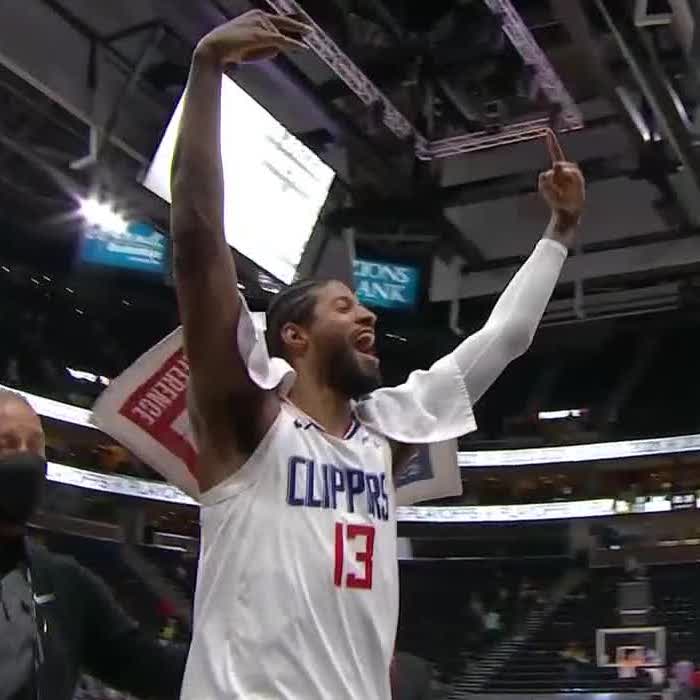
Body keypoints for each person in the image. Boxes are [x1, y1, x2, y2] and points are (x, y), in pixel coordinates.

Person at [171, 10, 585, 699]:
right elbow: (195, 239)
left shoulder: (385, 433)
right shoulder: (249, 418)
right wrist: (207, 70)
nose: (366, 314)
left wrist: (560, 232)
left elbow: (505, 338)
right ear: (294, 336)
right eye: (343, 306)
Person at [0, 389, 187, 700]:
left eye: (35, 446)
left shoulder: (63, 582)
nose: (26, 458)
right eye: (6, 445)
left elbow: (151, 666)